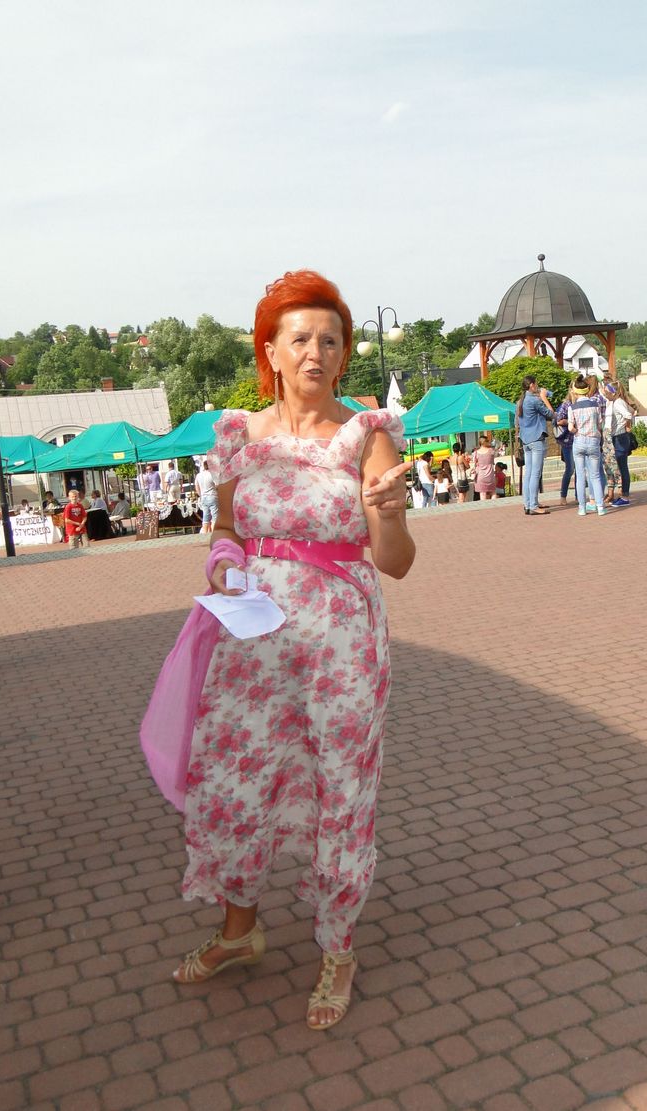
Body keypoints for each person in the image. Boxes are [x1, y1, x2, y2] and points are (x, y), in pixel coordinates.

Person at [156, 269, 415, 1032]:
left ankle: (338, 949)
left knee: (340, 787)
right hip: (253, 640)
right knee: (235, 778)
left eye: (330, 340)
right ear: (269, 350)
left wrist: (389, 513)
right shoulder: (239, 435)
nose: (315, 352)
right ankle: (240, 931)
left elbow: (395, 561)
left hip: (341, 645)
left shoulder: (366, 436)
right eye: (299, 338)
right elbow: (226, 528)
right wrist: (222, 561)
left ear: (344, 355)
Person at [516, 376, 557, 514]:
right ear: (532, 385)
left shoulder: (520, 401)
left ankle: (528, 504)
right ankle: (533, 506)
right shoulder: (534, 401)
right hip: (536, 438)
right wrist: (544, 398)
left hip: (525, 440)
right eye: (536, 384)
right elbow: (550, 414)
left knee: (528, 473)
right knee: (536, 473)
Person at [568, 375, 607, 517]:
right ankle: (600, 507)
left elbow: (570, 428)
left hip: (579, 441)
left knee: (580, 475)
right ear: (587, 390)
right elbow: (600, 424)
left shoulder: (572, 407)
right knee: (595, 475)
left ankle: (582, 508)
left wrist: (577, 431)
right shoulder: (595, 405)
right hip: (593, 441)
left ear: (575, 391)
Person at [605, 380, 635, 506]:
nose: (605, 394)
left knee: (622, 467)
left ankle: (625, 497)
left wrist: (624, 426)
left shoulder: (617, 403)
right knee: (622, 467)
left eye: (607, 392)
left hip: (620, 437)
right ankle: (624, 495)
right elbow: (632, 410)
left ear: (613, 393)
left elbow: (629, 414)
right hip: (619, 437)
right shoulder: (618, 402)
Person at [554, 394, 575, 505]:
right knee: (570, 468)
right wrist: (570, 421)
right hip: (567, 441)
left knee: (579, 470)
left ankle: (578, 496)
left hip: (579, 439)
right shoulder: (566, 404)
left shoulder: (581, 402)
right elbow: (558, 421)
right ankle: (563, 496)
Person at [195, 461, 219, 533]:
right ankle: (214, 533)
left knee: (205, 517)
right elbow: (217, 485)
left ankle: (205, 533)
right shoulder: (213, 474)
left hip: (203, 497)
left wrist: (201, 495)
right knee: (215, 517)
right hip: (212, 496)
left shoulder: (199, 475)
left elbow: (197, 487)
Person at [472, 436, 497, 501]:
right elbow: (492, 462)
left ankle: (484, 506)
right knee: (493, 492)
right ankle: (495, 506)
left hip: (480, 476)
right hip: (490, 475)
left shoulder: (476, 453)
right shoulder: (491, 451)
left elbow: (475, 464)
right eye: (487, 441)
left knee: (482, 494)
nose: (489, 442)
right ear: (484, 442)